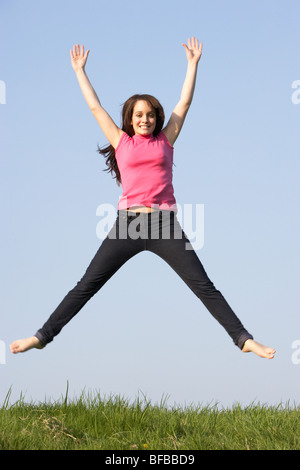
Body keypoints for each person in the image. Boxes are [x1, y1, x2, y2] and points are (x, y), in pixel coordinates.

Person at [10, 38, 275, 359]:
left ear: (156, 117)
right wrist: (80, 72)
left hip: (165, 225)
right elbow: (95, 107)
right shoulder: (121, 142)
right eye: (138, 114)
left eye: (150, 114)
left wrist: (192, 65)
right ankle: (40, 337)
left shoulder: (167, 138)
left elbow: (184, 103)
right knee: (86, 285)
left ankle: (244, 340)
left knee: (204, 286)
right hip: (128, 225)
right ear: (130, 118)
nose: (145, 119)